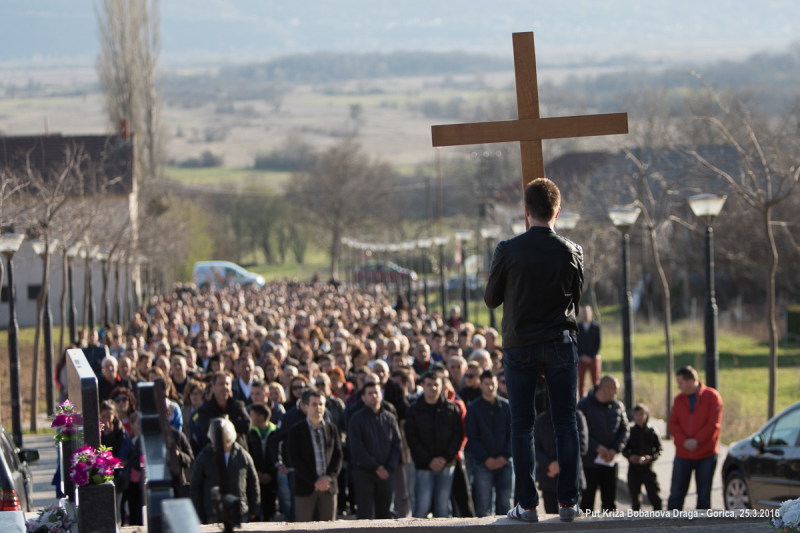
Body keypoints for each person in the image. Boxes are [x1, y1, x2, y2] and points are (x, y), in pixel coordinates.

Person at [484, 177, 584, 523]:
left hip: (520, 344)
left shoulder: (507, 250)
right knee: (565, 422)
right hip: (560, 343)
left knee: (522, 423)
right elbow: (575, 299)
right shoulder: (572, 251)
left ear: (526, 211)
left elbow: (491, 299)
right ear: (558, 211)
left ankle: (526, 505)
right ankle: (568, 502)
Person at [405, 372, 463, 518]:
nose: (433, 388)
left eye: (436, 384)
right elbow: (412, 438)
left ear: (442, 386)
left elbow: (457, 436)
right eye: (429, 384)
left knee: (443, 507)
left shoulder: (451, 408)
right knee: (422, 507)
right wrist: (429, 460)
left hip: (446, 464)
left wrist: (445, 458)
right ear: (423, 386)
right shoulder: (414, 410)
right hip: (424, 466)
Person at [667, 366, 723, 511]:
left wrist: (697, 441)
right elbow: (673, 423)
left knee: (703, 496)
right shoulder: (679, 400)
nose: (678, 387)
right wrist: (684, 441)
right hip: (683, 454)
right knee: (676, 495)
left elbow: (713, 425)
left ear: (691, 381)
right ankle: (670, 523)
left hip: (706, 454)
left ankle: (702, 523)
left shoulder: (712, 396)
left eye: (681, 383)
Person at [347, 381, 402, 519]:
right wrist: (376, 467)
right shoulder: (356, 419)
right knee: (364, 515)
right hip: (364, 473)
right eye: (370, 393)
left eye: (376, 392)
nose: (374, 396)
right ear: (363, 397)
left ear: (381, 395)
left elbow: (397, 443)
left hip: (386, 473)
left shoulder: (390, 418)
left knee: (384, 515)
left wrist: (388, 468)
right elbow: (357, 448)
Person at [190, 418, 260, 524]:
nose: (216, 436)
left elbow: (253, 483)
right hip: (213, 513)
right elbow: (195, 486)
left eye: (220, 433)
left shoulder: (242, 456)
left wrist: (254, 508)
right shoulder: (204, 457)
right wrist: (198, 513)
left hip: (239, 512)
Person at [288, 390, 343, 522]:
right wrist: (315, 480)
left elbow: (338, 456)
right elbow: (295, 460)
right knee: (303, 527)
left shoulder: (332, 429)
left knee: (329, 528)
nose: (318, 407)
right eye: (314, 404)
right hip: (306, 487)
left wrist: (328, 478)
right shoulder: (296, 431)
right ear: (305, 406)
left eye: (321, 404)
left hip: (328, 487)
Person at [577, 376, 629, 512]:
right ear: (604, 389)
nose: (616, 393)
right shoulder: (583, 405)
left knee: (609, 503)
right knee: (587, 502)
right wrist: (597, 447)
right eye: (615, 389)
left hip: (610, 462)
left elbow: (625, 430)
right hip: (590, 462)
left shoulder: (618, 406)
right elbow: (579, 431)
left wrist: (615, 449)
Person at [465, 370, 512, 518]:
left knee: (506, 505)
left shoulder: (506, 407)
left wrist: (504, 456)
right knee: (483, 505)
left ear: (497, 384)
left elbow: (512, 434)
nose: (490, 387)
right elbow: (472, 438)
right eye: (486, 384)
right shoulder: (473, 409)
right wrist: (486, 459)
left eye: (492, 384)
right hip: (482, 464)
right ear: (481, 385)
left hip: (505, 462)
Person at [534, 396, 589, 515]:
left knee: (571, 518)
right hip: (548, 477)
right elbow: (535, 446)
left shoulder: (577, 416)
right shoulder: (542, 419)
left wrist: (560, 465)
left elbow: (582, 446)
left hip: (571, 478)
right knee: (551, 518)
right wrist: (548, 464)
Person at [192, 371, 251, 455]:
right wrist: (234, 425)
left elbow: (247, 425)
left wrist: (219, 423)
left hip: (237, 454)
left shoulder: (238, 405)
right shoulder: (205, 410)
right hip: (213, 455)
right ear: (213, 387)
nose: (225, 387)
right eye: (221, 384)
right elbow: (207, 431)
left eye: (227, 384)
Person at [622, 403, 663, 511]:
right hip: (634, 470)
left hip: (648, 469)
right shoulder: (630, 431)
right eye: (636, 414)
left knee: (655, 497)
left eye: (641, 414)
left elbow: (659, 449)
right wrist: (630, 456)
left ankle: (658, 518)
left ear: (646, 415)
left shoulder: (652, 431)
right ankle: (637, 518)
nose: (639, 417)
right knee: (635, 499)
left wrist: (651, 458)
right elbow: (623, 449)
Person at [248, 402, 279, 521]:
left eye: (252, 415)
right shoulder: (250, 433)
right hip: (256, 475)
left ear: (260, 417)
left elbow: (278, 453)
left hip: (272, 476)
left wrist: (271, 473)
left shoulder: (276, 431)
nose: (250, 418)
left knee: (269, 508)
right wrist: (257, 472)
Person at [576, 305, 602, 398]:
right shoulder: (577, 327)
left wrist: (591, 356)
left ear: (591, 313)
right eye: (583, 312)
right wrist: (582, 355)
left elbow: (598, 343)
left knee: (596, 381)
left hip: (593, 358)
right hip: (581, 358)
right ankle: (581, 401)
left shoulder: (596, 327)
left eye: (587, 312)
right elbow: (576, 343)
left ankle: (597, 399)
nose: (585, 314)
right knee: (581, 382)